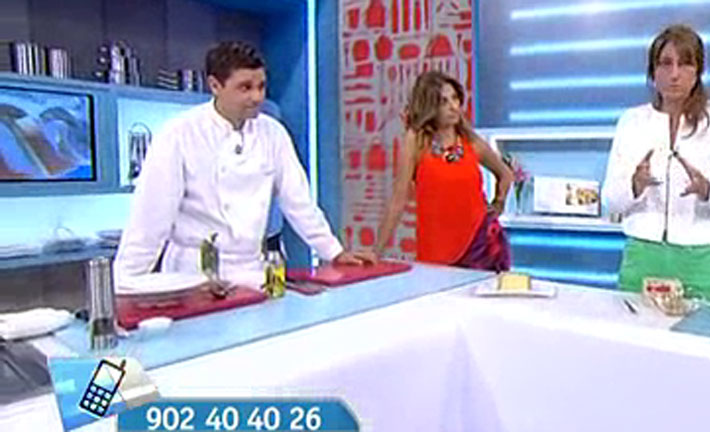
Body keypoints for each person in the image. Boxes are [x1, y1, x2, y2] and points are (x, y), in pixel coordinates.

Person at [115, 41, 372, 284]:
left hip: (252, 270)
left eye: (261, 86)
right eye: (245, 88)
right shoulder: (179, 133)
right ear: (215, 85)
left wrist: (333, 252)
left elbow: (299, 203)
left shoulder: (273, 133)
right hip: (192, 273)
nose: (257, 97)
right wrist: (124, 283)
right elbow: (151, 216)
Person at [602, 24, 710, 304]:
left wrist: (709, 190)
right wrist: (634, 185)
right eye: (665, 63)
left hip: (703, 262)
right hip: (643, 259)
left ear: (698, 71)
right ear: (652, 71)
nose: (674, 74)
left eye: (685, 64)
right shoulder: (632, 122)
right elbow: (610, 202)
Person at [372, 70, 514, 271]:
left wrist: (498, 203)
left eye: (455, 98)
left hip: (481, 246)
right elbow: (398, 199)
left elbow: (505, 174)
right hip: (436, 248)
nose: (453, 107)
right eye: (443, 102)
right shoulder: (416, 141)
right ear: (430, 106)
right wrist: (375, 253)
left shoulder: (470, 142)